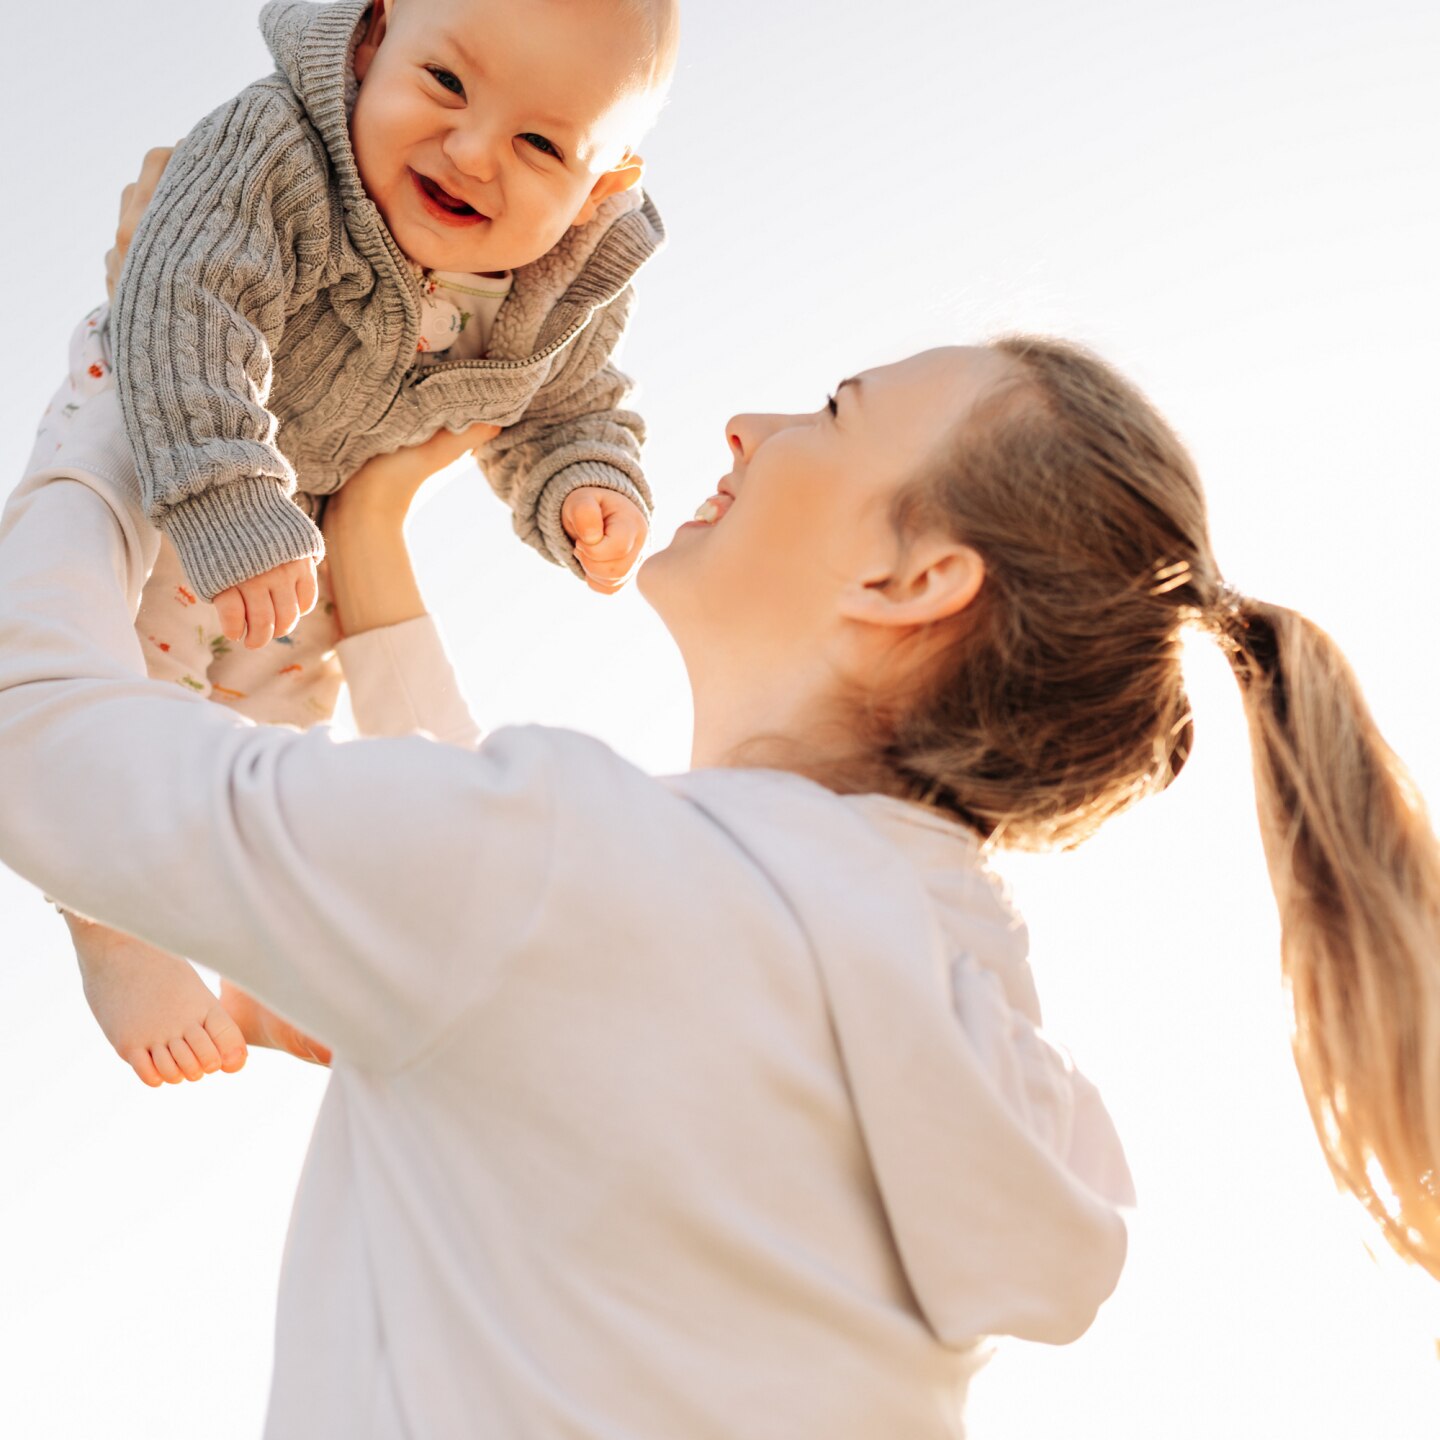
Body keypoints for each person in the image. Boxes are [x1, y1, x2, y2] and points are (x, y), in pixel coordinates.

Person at [3, 327, 1438, 1433]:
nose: (751, 424)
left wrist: (127, 379)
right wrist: (369, 549)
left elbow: (31, 733)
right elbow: (539, 932)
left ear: (911, 583)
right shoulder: (965, 1019)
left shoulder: (574, 880)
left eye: (837, 412)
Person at [44, 0, 676, 1082]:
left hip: (306, 509)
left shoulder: (558, 285)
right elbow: (190, 299)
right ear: (375, 40)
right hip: (165, 431)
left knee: (278, 734)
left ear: (599, 187)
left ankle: (252, 945)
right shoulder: (278, 150)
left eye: (539, 144)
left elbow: (568, 406)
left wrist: (586, 485)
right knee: (114, 672)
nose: (473, 152)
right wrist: (227, 492)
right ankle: (111, 920)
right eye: (446, 84)